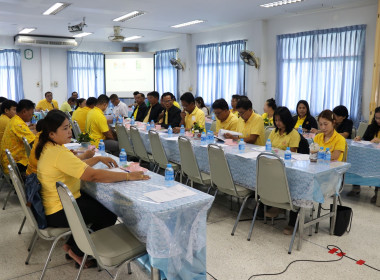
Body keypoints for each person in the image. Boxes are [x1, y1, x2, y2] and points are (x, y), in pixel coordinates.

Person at [36, 110, 149, 267]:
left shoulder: (52, 148)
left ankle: (71, 245)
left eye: (69, 127)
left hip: (56, 204)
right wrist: (129, 176)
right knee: (108, 212)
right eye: (64, 128)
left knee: (99, 201)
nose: (69, 131)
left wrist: (96, 158)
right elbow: (93, 176)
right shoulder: (58, 152)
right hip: (58, 211)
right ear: (52, 134)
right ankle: (78, 251)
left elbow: (77, 167)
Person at [265, 106, 301, 225]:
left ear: (286, 120)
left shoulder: (293, 134)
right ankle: (271, 203)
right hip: (273, 163)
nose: (277, 123)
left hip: (288, 167)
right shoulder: (274, 132)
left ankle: (281, 206)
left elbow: (292, 152)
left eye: (280, 120)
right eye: (275, 120)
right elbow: (268, 147)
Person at [351, 106, 380, 201]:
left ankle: (377, 193)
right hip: (370, 156)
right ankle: (355, 187)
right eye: (376, 118)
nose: (378, 120)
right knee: (356, 160)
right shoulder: (371, 127)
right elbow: (366, 140)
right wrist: (359, 139)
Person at [0, 99, 36, 174]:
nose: (32, 116)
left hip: (10, 162)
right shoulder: (18, 123)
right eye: (31, 114)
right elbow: (34, 142)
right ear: (24, 112)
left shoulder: (15, 120)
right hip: (16, 164)